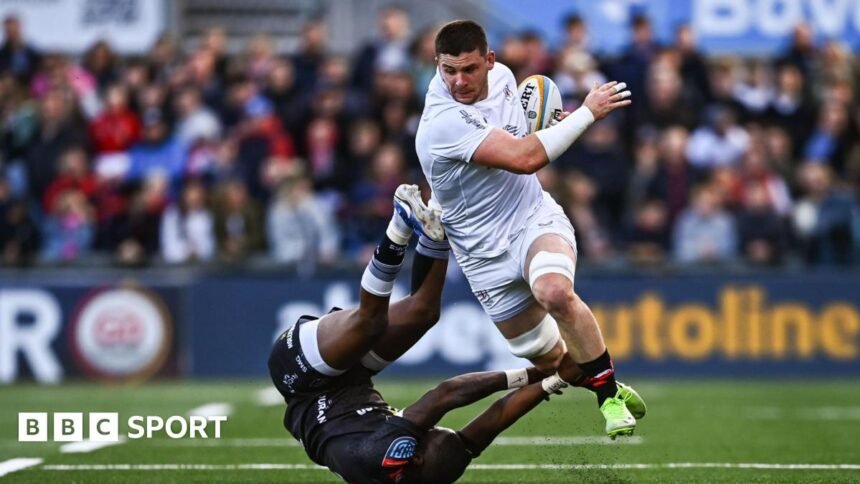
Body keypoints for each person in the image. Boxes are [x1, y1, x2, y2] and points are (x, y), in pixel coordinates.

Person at [414, 20, 644, 437]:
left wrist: (554, 124)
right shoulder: (442, 121)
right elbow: (525, 158)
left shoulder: (505, 79)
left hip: (531, 219)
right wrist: (587, 113)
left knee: (554, 291)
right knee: (553, 361)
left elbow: (525, 141)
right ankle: (605, 379)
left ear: (490, 60)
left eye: (469, 69)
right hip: (482, 257)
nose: (459, 81)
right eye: (449, 70)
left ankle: (608, 396)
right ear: (437, 65)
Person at [269, 185, 582, 483]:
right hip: (353, 378)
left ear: (416, 456)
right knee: (423, 314)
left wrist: (533, 373)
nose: (429, 427)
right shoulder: (433, 470)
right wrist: (555, 379)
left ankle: (398, 226)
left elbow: (446, 394)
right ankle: (435, 229)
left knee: (370, 323)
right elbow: (497, 417)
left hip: (301, 377)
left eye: (431, 431)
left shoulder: (385, 455)